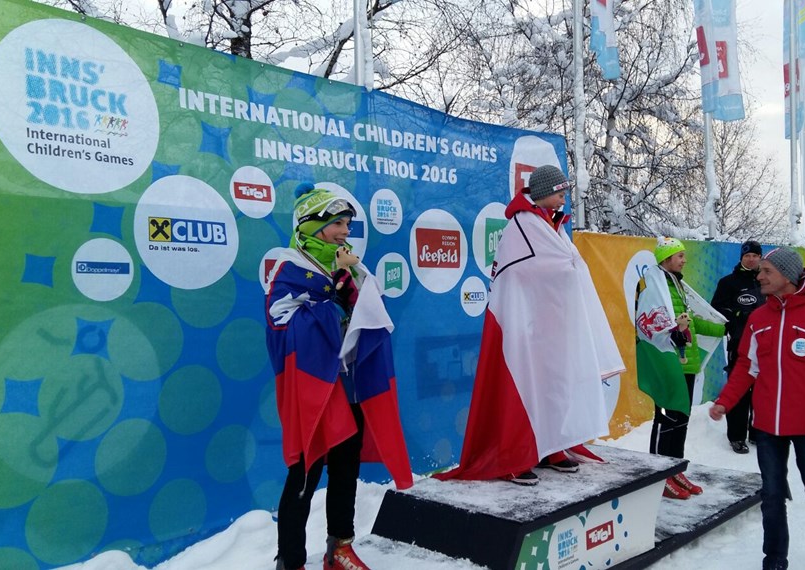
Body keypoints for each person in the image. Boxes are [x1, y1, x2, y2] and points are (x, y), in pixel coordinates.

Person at [436, 165, 624, 485]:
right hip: (522, 329)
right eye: (559, 190)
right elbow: (529, 270)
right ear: (542, 192)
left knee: (554, 388)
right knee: (521, 390)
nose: (564, 195)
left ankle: (552, 447)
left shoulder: (551, 224)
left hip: (550, 328)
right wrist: (568, 268)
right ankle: (513, 455)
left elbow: (560, 265)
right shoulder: (522, 224)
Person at [265, 184, 413, 570]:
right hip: (314, 391)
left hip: (349, 385)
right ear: (312, 226)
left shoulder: (350, 266)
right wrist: (334, 297)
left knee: (346, 467)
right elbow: (283, 325)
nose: (346, 231)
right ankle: (291, 559)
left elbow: (372, 312)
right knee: (305, 472)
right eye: (337, 224)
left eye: (347, 223)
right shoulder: (289, 268)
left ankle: (340, 548)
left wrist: (354, 285)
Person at [709, 247, 805, 570]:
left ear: (786, 276)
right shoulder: (759, 318)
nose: (759, 276)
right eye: (760, 271)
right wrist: (725, 402)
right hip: (767, 427)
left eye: (766, 271)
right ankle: (774, 559)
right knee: (772, 496)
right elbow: (746, 365)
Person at [636, 237, 726, 499]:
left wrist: (722, 328)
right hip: (669, 363)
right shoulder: (655, 285)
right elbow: (648, 321)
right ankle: (658, 474)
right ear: (666, 259)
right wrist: (673, 333)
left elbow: (691, 322)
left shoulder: (677, 285)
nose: (684, 260)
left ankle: (674, 469)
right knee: (667, 418)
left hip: (686, 363)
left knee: (680, 420)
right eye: (679, 256)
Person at [711, 240, 766, 454]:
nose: (751, 259)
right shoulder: (728, 282)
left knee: (762, 391)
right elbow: (716, 310)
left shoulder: (767, 280)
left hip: (766, 346)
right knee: (740, 390)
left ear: (760, 257)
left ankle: (757, 431)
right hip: (740, 343)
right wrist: (736, 315)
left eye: (755, 255)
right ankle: (736, 436)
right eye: (747, 256)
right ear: (741, 258)